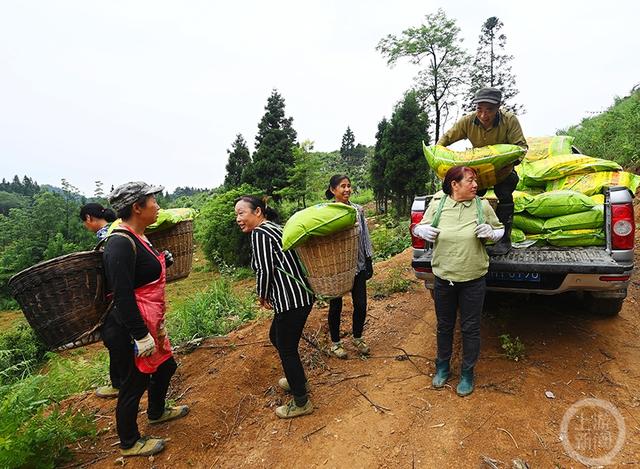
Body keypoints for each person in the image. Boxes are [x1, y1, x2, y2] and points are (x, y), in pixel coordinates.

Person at [103, 182, 189, 457]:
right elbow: (123, 294)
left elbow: (142, 271)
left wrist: (163, 259)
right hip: (128, 326)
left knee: (166, 366)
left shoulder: (139, 236)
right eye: (153, 200)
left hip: (150, 321)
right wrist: (140, 335)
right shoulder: (118, 242)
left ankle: (157, 412)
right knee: (133, 382)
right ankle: (129, 442)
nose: (158, 205)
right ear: (137, 207)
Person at [413, 166, 504, 397]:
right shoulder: (438, 204)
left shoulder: (482, 206)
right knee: (444, 325)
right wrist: (422, 230)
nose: (475, 185)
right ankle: (442, 366)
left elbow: (500, 230)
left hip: (473, 278)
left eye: (476, 181)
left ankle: (467, 372)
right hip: (444, 277)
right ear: (455, 184)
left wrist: (491, 234)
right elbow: (419, 226)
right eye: (470, 181)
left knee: (470, 327)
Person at [235, 196, 315, 419]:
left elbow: (264, 269)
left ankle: (301, 401)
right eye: (236, 215)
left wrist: (262, 294)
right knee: (276, 337)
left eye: (242, 213)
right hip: (301, 297)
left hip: (291, 300)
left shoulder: (260, 233)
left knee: (286, 348)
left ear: (258, 212)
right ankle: (297, 379)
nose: (238, 219)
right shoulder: (274, 228)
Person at [437, 87, 527, 255]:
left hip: (502, 170)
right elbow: (446, 139)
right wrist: (436, 154)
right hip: (478, 172)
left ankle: (504, 240)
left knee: (505, 192)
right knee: (469, 196)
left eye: (489, 110)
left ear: (498, 107)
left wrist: (509, 161)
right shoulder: (467, 121)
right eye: (479, 109)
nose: (484, 115)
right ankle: (469, 236)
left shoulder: (510, 120)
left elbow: (521, 147)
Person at [324, 175, 374, 358]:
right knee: (335, 306)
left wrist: (369, 259)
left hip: (358, 265)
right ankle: (336, 344)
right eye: (342, 186)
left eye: (349, 186)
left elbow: (364, 236)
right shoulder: (327, 213)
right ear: (333, 190)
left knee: (360, 305)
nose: (347, 189)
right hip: (337, 268)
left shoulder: (357, 210)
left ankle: (358, 337)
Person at [79, 203, 120, 398]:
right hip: (121, 293)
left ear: (89, 218)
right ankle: (119, 381)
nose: (86, 226)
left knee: (114, 338)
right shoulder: (112, 231)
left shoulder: (107, 236)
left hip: (119, 295)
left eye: (84, 223)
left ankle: (121, 383)